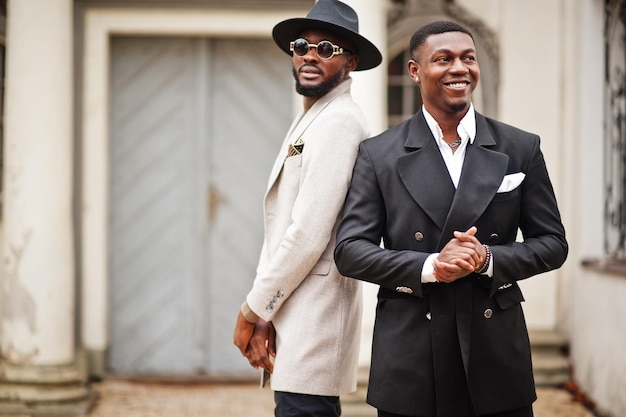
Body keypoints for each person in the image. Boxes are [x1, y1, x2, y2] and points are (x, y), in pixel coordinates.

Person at [333, 20, 568, 417]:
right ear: (415, 71)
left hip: (494, 349)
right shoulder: (379, 154)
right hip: (412, 352)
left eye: (468, 58)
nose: (460, 68)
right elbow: (350, 250)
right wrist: (431, 265)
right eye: (443, 59)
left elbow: (553, 244)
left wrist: (488, 259)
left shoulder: (521, 147)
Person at [232, 1, 382, 416]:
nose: (310, 55)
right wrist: (268, 312)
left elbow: (309, 231)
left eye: (326, 48)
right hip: (294, 309)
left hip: (317, 313)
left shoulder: (340, 121)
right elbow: (284, 223)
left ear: (350, 61)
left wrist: (253, 308)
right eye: (302, 46)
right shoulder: (314, 116)